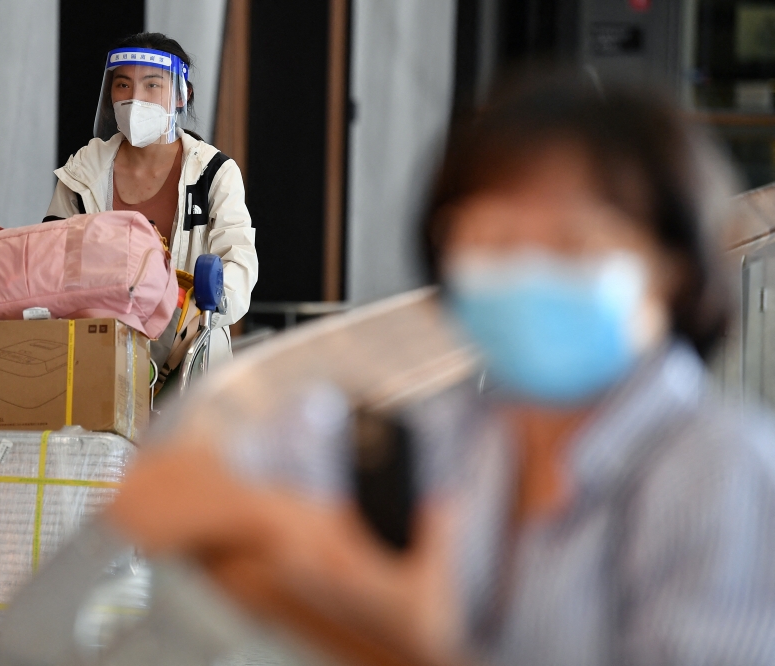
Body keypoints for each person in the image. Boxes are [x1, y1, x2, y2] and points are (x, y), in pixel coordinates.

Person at [102, 73, 775, 666]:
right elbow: (160, 492)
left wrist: (396, 627)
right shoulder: (452, 432)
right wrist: (310, 543)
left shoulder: (722, 471)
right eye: (489, 239)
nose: (524, 272)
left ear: (674, 266)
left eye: (573, 241)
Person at [45, 32, 258, 374]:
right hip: (96, 360)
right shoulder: (83, 171)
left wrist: (198, 313)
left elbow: (238, 265)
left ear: (181, 94)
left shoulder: (213, 172)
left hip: (189, 362)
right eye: (123, 85)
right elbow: (51, 260)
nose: (135, 99)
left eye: (152, 85)